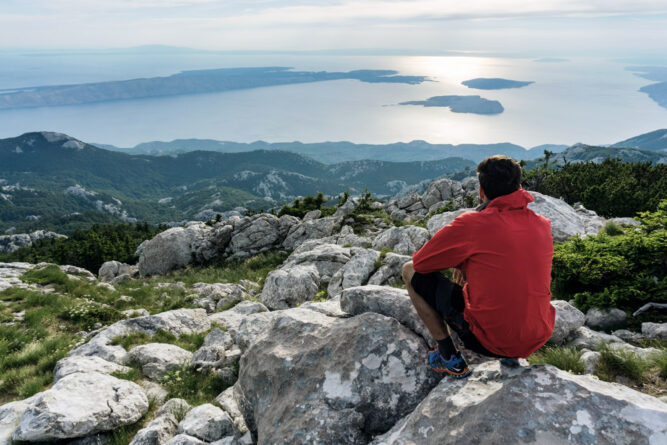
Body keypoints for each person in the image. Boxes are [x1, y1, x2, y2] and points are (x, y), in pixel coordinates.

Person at [401, 155, 555, 378]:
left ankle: (448, 358)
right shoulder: (542, 224)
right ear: (519, 187)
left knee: (409, 270)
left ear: (481, 191)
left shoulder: (472, 224)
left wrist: (460, 260)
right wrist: (465, 264)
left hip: (490, 341)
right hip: (537, 335)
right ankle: (511, 356)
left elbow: (422, 263)